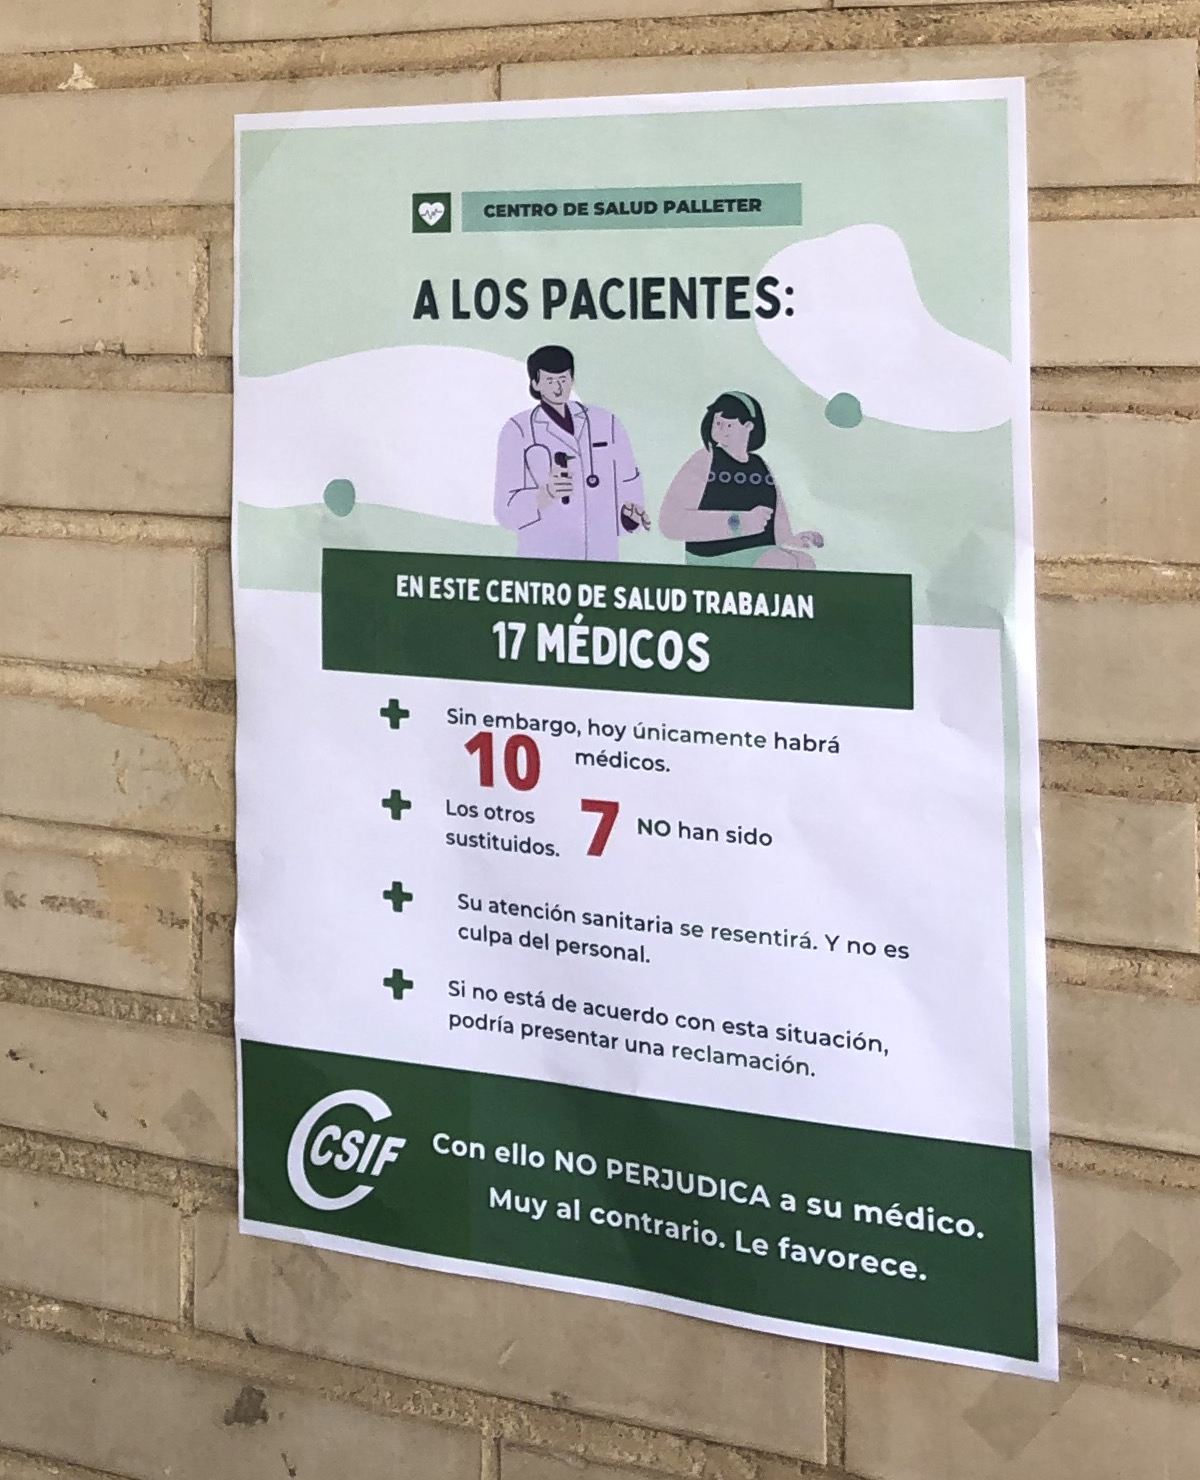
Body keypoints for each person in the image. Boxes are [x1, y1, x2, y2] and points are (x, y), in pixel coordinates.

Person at [495, 345, 650, 560]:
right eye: (550, 381)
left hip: (600, 553)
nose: (558, 388)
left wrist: (628, 517)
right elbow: (505, 511)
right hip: (545, 554)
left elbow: (628, 483)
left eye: (563, 379)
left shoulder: (606, 422)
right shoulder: (518, 430)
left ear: (572, 379)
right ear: (535, 384)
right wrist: (545, 494)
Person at [659, 391, 823, 568]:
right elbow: (671, 523)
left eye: (729, 425)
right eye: (718, 423)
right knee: (780, 563)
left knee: (805, 562)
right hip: (714, 555)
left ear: (749, 426)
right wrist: (739, 522)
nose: (721, 429)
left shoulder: (759, 464)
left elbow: (777, 513)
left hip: (760, 550)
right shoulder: (705, 460)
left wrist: (790, 540)